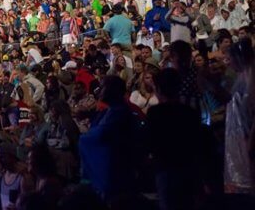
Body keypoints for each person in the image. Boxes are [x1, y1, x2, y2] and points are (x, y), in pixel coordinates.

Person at [146, 68, 205, 210]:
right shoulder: (190, 112)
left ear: (159, 88)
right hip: (189, 167)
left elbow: (150, 141)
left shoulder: (155, 113)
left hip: (165, 168)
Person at [79, 75, 140, 203]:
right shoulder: (109, 111)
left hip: (114, 173)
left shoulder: (119, 112)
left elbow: (98, 135)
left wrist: (85, 137)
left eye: (103, 87)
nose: (99, 90)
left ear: (111, 90)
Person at [223, 37, 255, 196]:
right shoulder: (241, 77)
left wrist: (250, 141)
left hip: (247, 134)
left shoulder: (250, 79)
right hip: (238, 133)